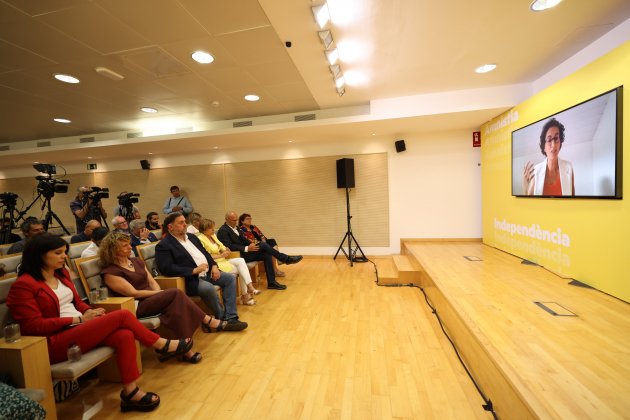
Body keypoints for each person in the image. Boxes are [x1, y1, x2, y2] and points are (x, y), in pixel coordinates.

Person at [7, 233, 195, 413]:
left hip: (77, 329)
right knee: (122, 316)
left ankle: (131, 391)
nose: (64, 256)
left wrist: (89, 311)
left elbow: (77, 301)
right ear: (38, 255)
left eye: (64, 252)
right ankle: (161, 344)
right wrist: (79, 319)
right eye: (58, 253)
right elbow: (33, 326)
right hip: (52, 342)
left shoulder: (60, 274)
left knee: (125, 335)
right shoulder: (24, 285)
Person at [100, 233, 231, 364]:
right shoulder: (110, 272)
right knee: (175, 293)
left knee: (176, 307)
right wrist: (160, 294)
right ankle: (207, 320)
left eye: (129, 243)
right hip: (136, 305)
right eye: (125, 245)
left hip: (152, 299)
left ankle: (185, 350)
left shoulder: (136, 261)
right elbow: (134, 293)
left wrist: (160, 295)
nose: (130, 247)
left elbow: (152, 282)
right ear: (112, 250)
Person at [155, 212, 247, 331]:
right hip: (190, 279)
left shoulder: (192, 237)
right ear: (170, 227)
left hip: (208, 272)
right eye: (181, 222)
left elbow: (206, 254)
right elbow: (166, 268)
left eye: (185, 222)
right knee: (208, 287)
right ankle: (221, 319)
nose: (185, 225)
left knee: (229, 278)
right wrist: (193, 270)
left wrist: (213, 266)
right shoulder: (164, 245)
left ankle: (231, 317)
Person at [217, 211, 302, 290]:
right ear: (227, 220)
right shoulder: (223, 230)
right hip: (238, 256)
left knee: (266, 254)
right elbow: (228, 246)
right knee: (262, 244)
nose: (235, 222)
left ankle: (272, 282)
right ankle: (285, 259)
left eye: (236, 220)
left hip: (246, 252)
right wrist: (246, 248)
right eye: (233, 220)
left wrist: (250, 244)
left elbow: (243, 239)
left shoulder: (236, 228)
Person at [197, 219, 261, 306]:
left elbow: (222, 246)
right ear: (204, 230)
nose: (213, 229)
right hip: (215, 264)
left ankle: (249, 288)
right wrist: (221, 255)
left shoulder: (213, 236)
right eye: (211, 228)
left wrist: (226, 250)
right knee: (242, 269)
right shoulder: (200, 239)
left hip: (223, 260)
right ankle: (246, 295)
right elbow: (205, 256)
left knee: (241, 261)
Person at [522, 118, 575, 196]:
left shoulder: (569, 167)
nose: (553, 145)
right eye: (549, 140)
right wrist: (525, 187)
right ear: (544, 146)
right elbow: (529, 204)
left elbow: (573, 201)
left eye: (556, 138)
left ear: (560, 142)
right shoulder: (536, 172)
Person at [239, 213, 285, 277]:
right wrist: (261, 242)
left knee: (272, 240)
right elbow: (248, 241)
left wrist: (263, 240)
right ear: (242, 221)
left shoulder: (253, 227)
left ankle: (277, 264)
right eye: (247, 219)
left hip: (262, 243)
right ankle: (276, 266)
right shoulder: (241, 230)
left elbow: (261, 235)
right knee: (270, 248)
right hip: (254, 246)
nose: (249, 220)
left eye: (250, 218)